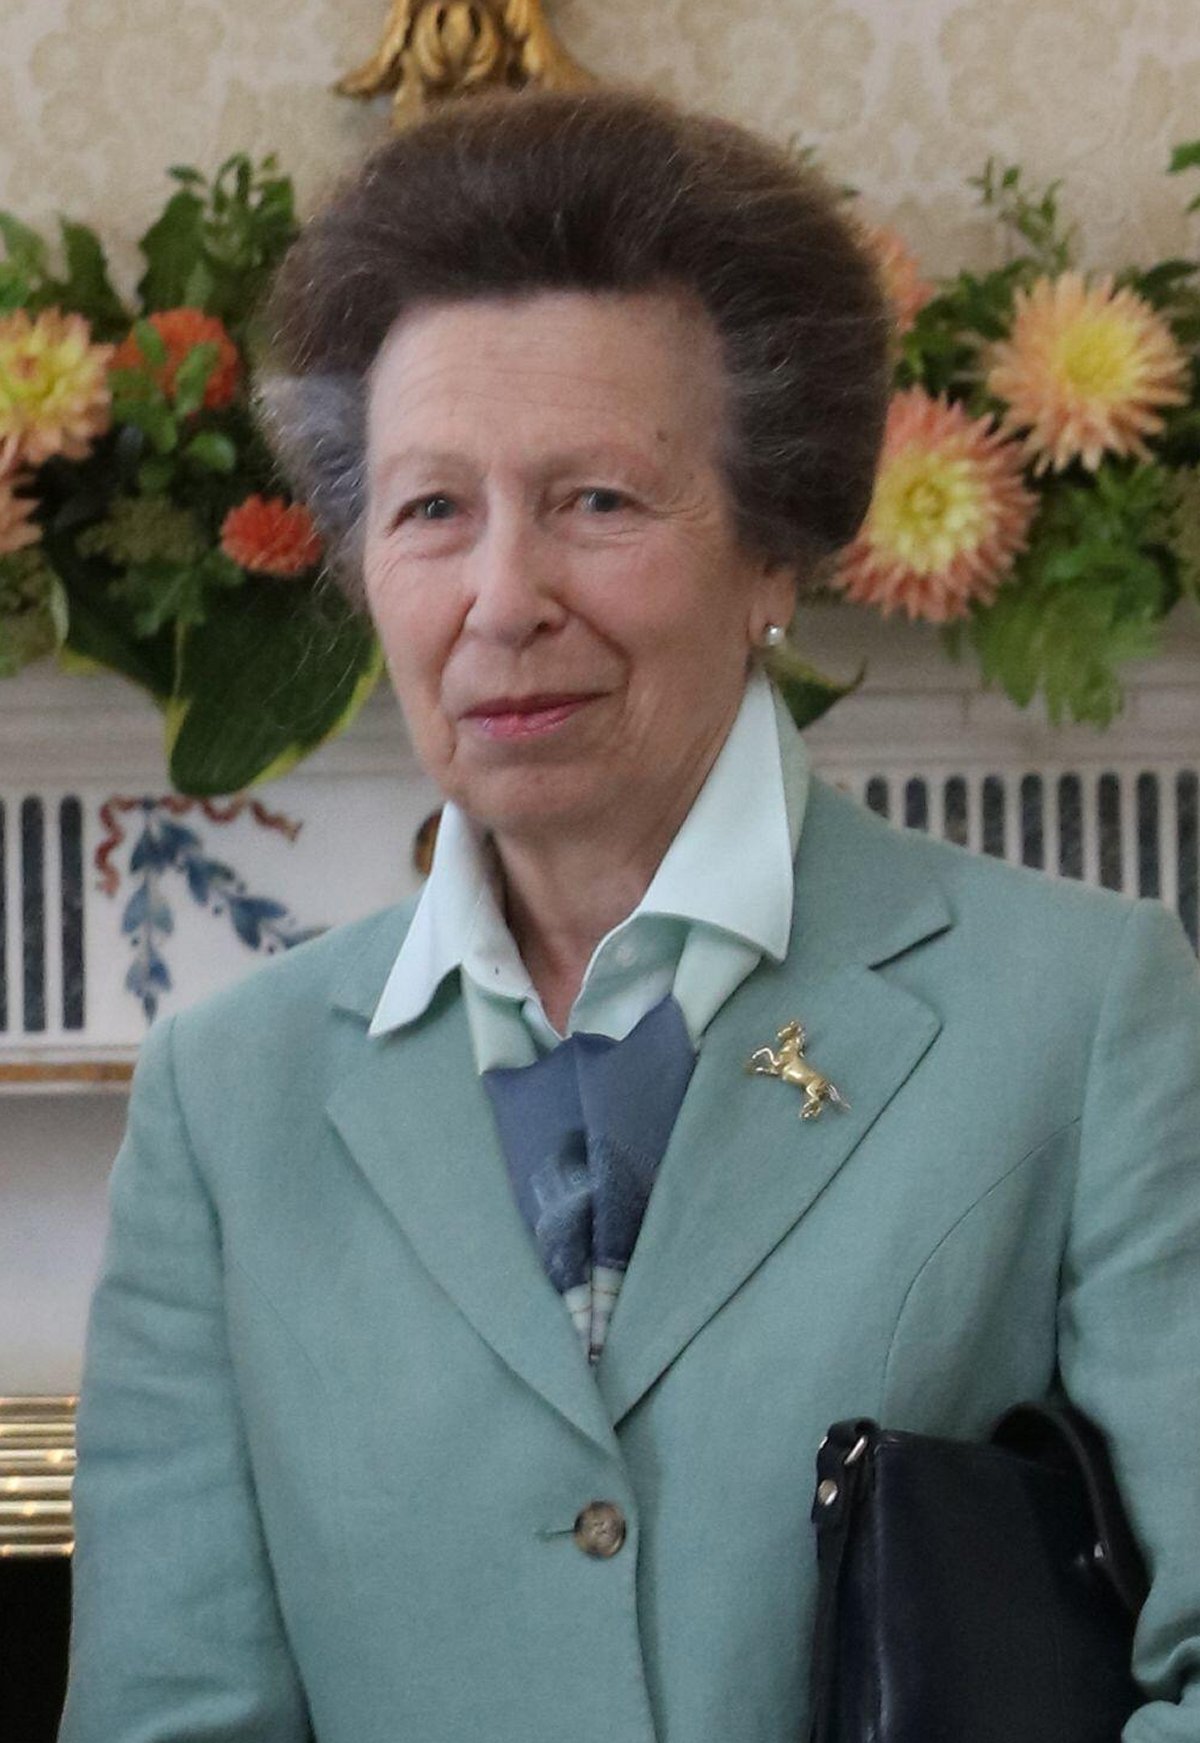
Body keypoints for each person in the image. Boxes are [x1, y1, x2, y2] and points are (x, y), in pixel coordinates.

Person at [59, 88, 1200, 1743]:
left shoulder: (1086, 1014)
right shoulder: (223, 1101)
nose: (504, 598)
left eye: (599, 499)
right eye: (431, 509)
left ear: (775, 553)